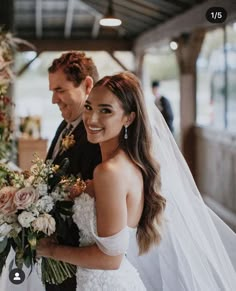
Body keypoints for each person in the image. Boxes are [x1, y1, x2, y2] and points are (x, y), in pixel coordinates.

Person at [36, 72, 166, 290]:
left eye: (105, 110)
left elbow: (110, 259)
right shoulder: (125, 164)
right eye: (88, 107)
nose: (92, 119)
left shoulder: (109, 172)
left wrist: (49, 250)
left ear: (129, 118)